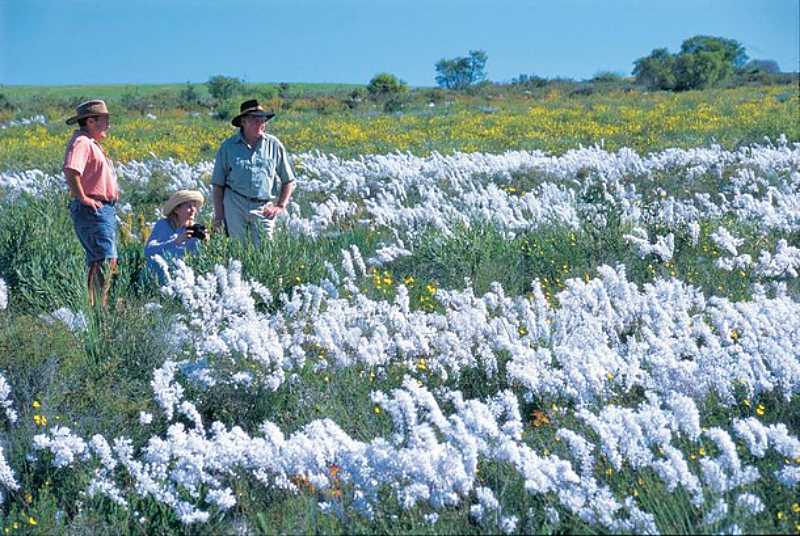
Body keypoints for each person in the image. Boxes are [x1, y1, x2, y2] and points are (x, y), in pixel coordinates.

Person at [211, 99, 296, 244]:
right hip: (235, 204)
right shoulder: (228, 147)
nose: (260, 123)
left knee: (265, 251)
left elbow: (289, 181)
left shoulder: (274, 145)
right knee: (238, 249)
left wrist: (280, 206)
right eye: (254, 119)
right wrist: (219, 216)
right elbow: (218, 185)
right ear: (243, 122)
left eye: (262, 119)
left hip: (263, 207)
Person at [63, 99, 119, 307]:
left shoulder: (88, 143)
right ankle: (97, 309)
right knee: (103, 259)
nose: (108, 125)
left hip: (101, 209)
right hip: (93, 209)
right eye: (104, 120)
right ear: (90, 121)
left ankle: (99, 306)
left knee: (104, 259)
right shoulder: (82, 143)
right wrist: (84, 198)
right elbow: (71, 170)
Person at [145, 190, 207, 281]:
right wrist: (175, 242)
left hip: (182, 279)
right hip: (157, 278)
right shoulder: (163, 225)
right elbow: (148, 250)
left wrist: (206, 243)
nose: (193, 209)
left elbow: (198, 258)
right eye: (189, 206)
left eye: (194, 205)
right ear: (177, 210)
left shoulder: (195, 230)